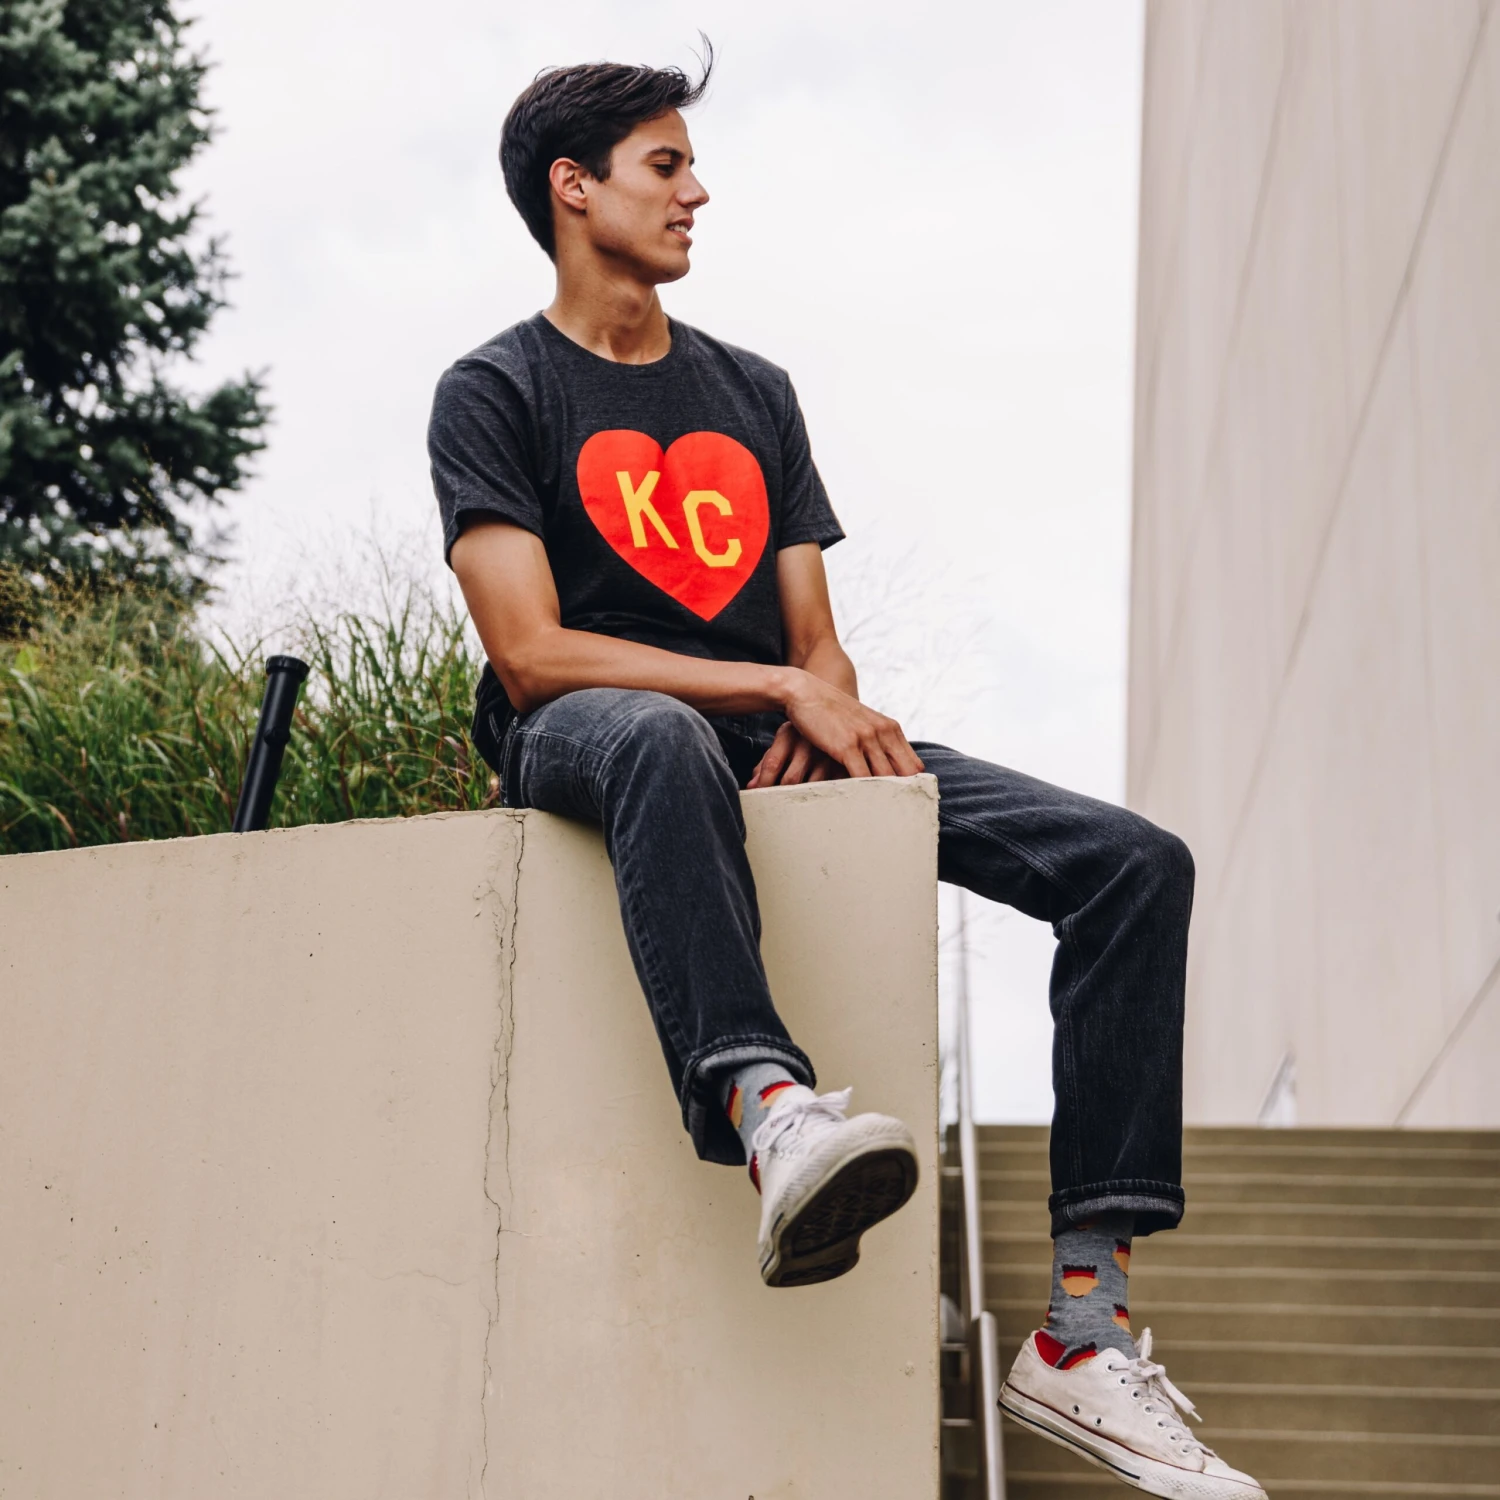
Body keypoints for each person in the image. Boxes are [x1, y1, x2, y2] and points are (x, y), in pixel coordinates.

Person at [427, 45, 1267, 1500]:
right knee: (656, 732)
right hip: (587, 735)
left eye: (692, 166)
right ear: (573, 188)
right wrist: (771, 686)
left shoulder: (752, 391)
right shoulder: (494, 389)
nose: (697, 192)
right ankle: (771, 1114)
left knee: (1133, 864)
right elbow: (531, 652)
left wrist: (819, 705)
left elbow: (817, 638)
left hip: (763, 731)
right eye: (665, 165)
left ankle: (1081, 1329)